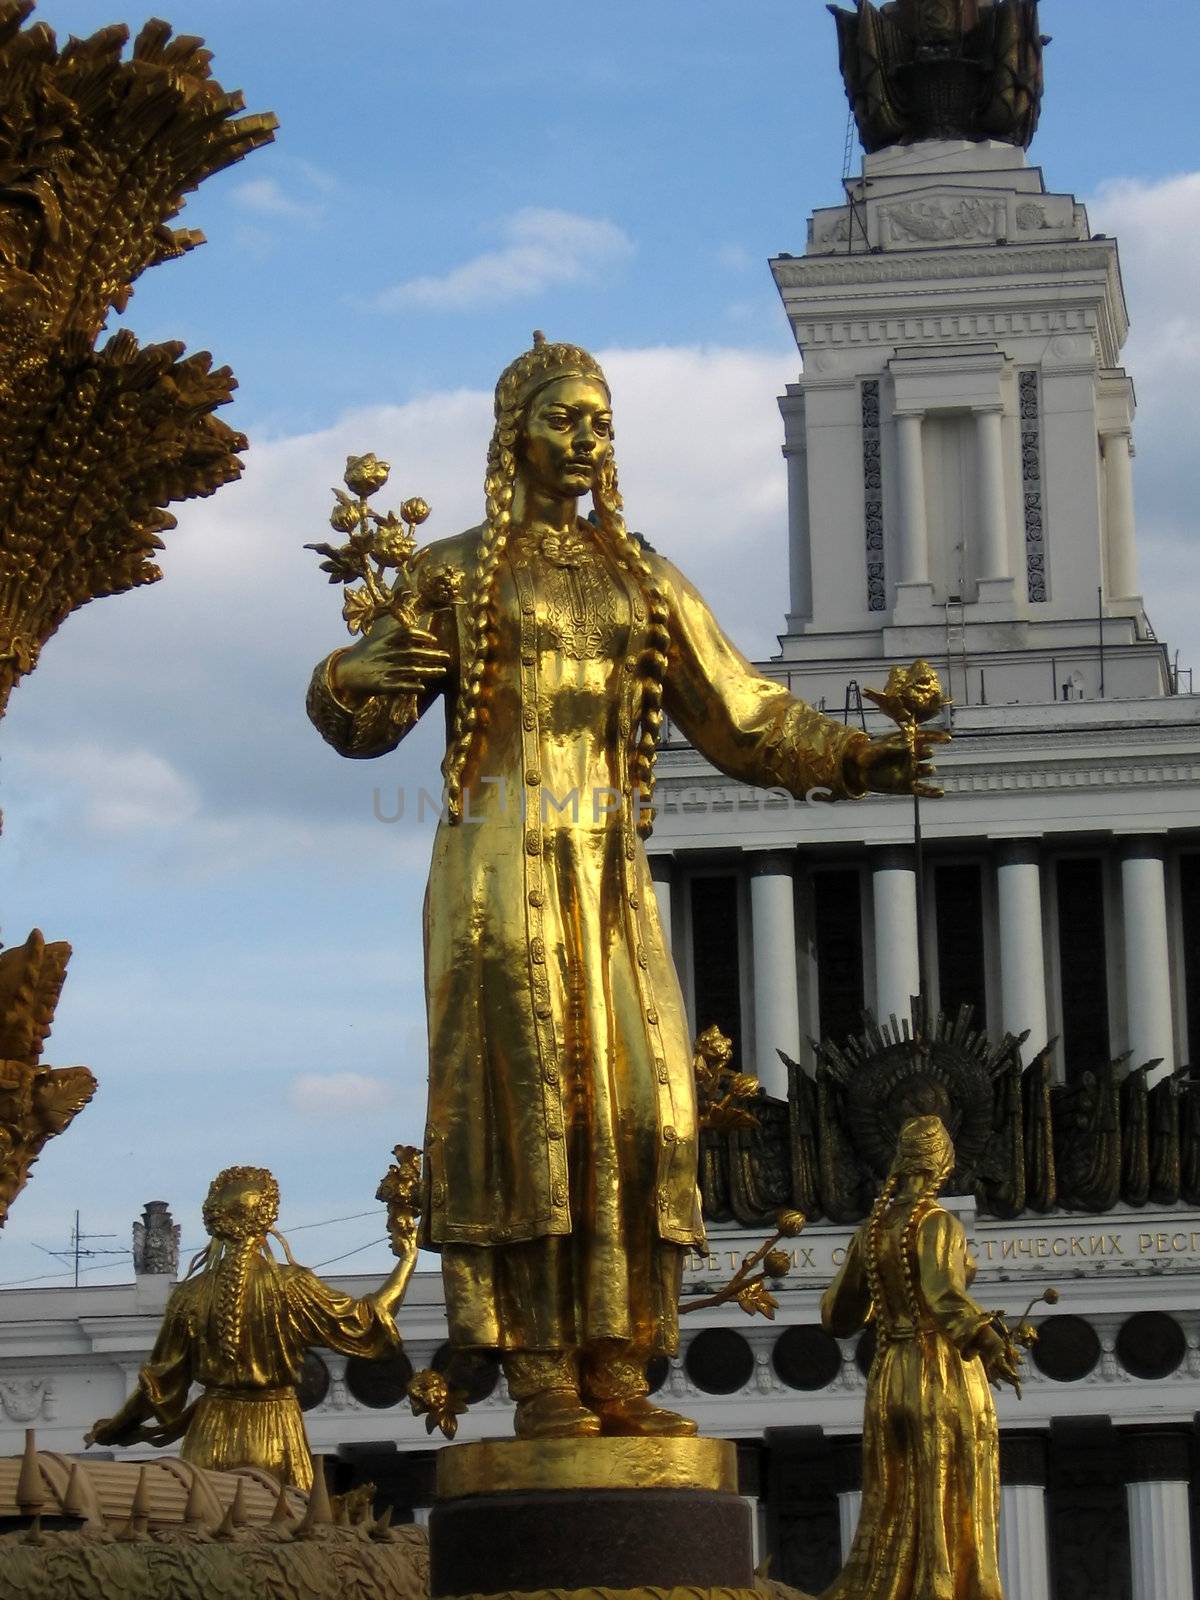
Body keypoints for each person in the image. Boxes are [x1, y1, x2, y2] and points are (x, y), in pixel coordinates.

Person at [306, 334, 945, 1440]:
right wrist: (353, 676)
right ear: (515, 437)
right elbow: (361, 723)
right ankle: (541, 1367)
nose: (587, 438)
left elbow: (741, 710)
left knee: (634, 1103)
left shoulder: (640, 577)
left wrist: (857, 757)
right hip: (497, 877)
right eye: (564, 417)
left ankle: (618, 1357)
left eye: (600, 420)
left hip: (606, 876)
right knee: (524, 1105)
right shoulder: (456, 572)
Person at [87, 1165, 416, 1489]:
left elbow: (157, 1385)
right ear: (268, 1216)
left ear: (215, 1222)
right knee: (285, 1528)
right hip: (274, 1430)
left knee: (205, 1530)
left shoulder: (189, 1296)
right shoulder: (292, 1287)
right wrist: (407, 1260)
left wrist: (115, 1428)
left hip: (209, 1435)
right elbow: (368, 1321)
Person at [820, 1115, 1021, 1600]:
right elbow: (942, 1294)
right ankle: (946, 1587)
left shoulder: (871, 1231)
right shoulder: (938, 1223)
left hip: (890, 1374)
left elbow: (836, 1316)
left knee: (895, 1491)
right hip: (941, 1371)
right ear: (942, 1165)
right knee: (949, 1483)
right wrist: (990, 1339)